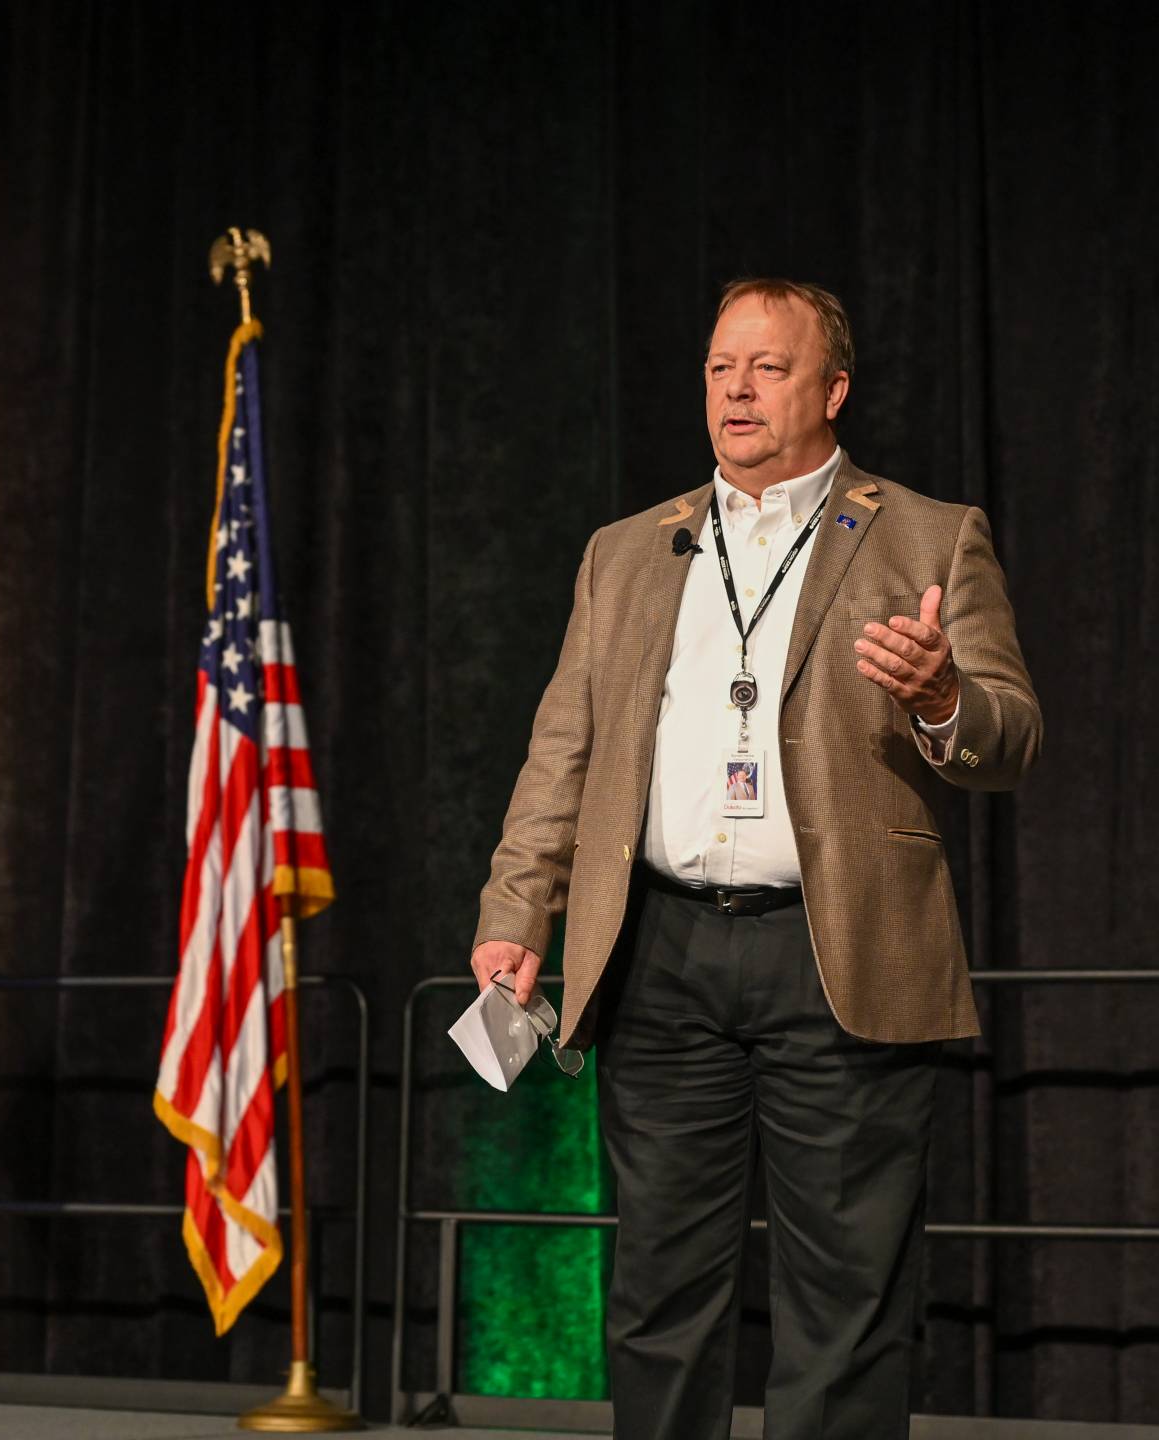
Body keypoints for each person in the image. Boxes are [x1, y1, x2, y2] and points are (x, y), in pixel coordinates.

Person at [469, 278, 1040, 1439]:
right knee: (658, 1294)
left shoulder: (928, 534)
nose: (735, 387)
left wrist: (942, 699)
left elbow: (1011, 733)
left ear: (832, 390)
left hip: (836, 954)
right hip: (660, 955)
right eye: (721, 366)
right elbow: (563, 749)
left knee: (846, 1302)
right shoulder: (628, 551)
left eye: (768, 368)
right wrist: (519, 909)